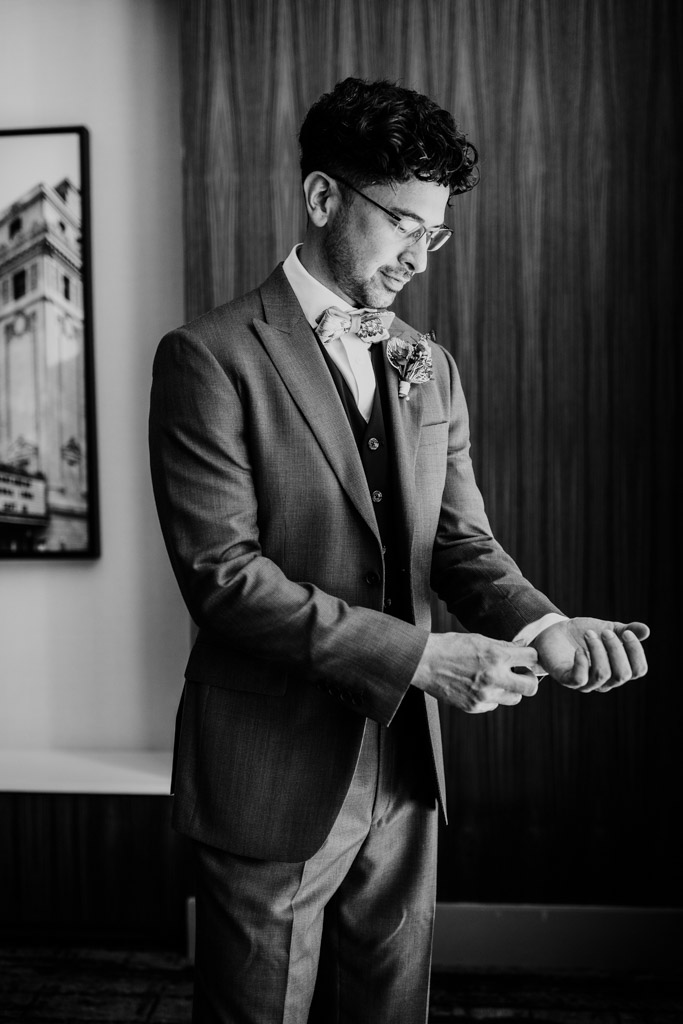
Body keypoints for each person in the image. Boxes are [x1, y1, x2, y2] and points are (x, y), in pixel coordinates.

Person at [148, 77, 649, 1024]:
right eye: (402, 224)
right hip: (269, 770)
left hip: (407, 776)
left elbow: (457, 545)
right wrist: (423, 658)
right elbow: (224, 580)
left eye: (436, 233)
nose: (421, 256)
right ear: (323, 198)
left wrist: (546, 627)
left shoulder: (430, 363)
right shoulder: (207, 356)